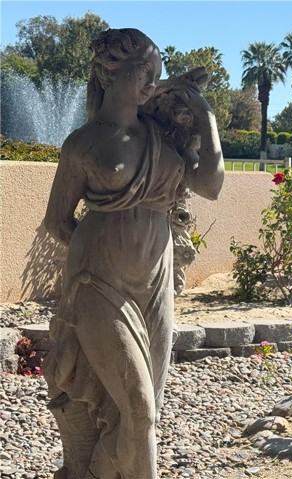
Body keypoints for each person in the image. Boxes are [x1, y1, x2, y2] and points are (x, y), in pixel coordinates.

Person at [42, 28, 224, 479]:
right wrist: (100, 257)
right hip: (98, 285)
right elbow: (58, 221)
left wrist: (206, 116)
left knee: (144, 411)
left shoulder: (164, 137)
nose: (151, 83)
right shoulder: (83, 144)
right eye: (143, 72)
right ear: (111, 72)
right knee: (139, 408)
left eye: (156, 74)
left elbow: (211, 186)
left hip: (155, 283)